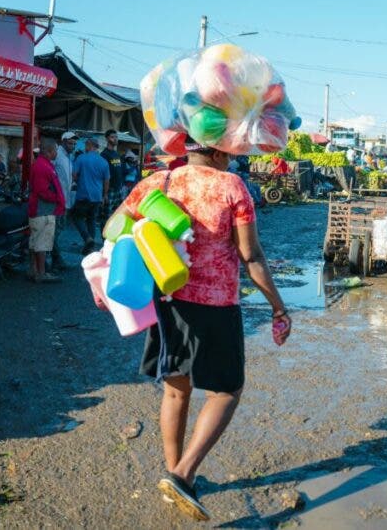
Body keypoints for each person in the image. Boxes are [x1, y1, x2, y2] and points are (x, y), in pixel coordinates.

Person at [118, 144, 289, 519]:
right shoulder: (232, 187)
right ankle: (182, 474)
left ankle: (175, 475)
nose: (231, 157)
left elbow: (114, 230)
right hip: (216, 303)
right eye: (227, 150)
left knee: (176, 389)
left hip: (168, 301)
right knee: (227, 390)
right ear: (216, 153)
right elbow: (252, 255)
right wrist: (278, 305)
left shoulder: (158, 182)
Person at [27, 138, 65, 283]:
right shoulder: (43, 166)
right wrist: (56, 198)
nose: (57, 153)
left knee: (35, 242)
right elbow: (42, 191)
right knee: (42, 243)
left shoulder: (43, 164)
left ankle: (34, 270)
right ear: (49, 152)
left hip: (40, 210)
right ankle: (41, 273)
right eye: (55, 150)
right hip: (43, 210)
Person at [72, 137, 110, 254]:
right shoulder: (103, 162)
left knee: (77, 218)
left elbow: (74, 175)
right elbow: (106, 180)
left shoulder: (81, 158)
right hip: (97, 197)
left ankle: (87, 238)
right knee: (91, 219)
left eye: (86, 145)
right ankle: (90, 248)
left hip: (83, 195)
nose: (85, 148)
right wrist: (105, 195)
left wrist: (80, 181)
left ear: (89, 146)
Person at [51, 131, 78, 272]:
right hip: (57, 201)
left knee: (59, 229)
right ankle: (56, 260)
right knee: (54, 231)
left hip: (65, 200)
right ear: (63, 142)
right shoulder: (57, 155)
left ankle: (56, 259)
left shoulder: (68, 157)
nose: (72, 145)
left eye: (74, 143)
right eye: (70, 143)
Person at [101, 129, 124, 220]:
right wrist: (105, 193)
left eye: (116, 137)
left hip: (118, 189)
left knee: (117, 215)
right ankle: (105, 234)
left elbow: (119, 171)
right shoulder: (104, 154)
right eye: (112, 137)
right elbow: (103, 175)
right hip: (109, 189)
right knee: (107, 216)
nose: (115, 139)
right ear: (107, 139)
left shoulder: (116, 154)